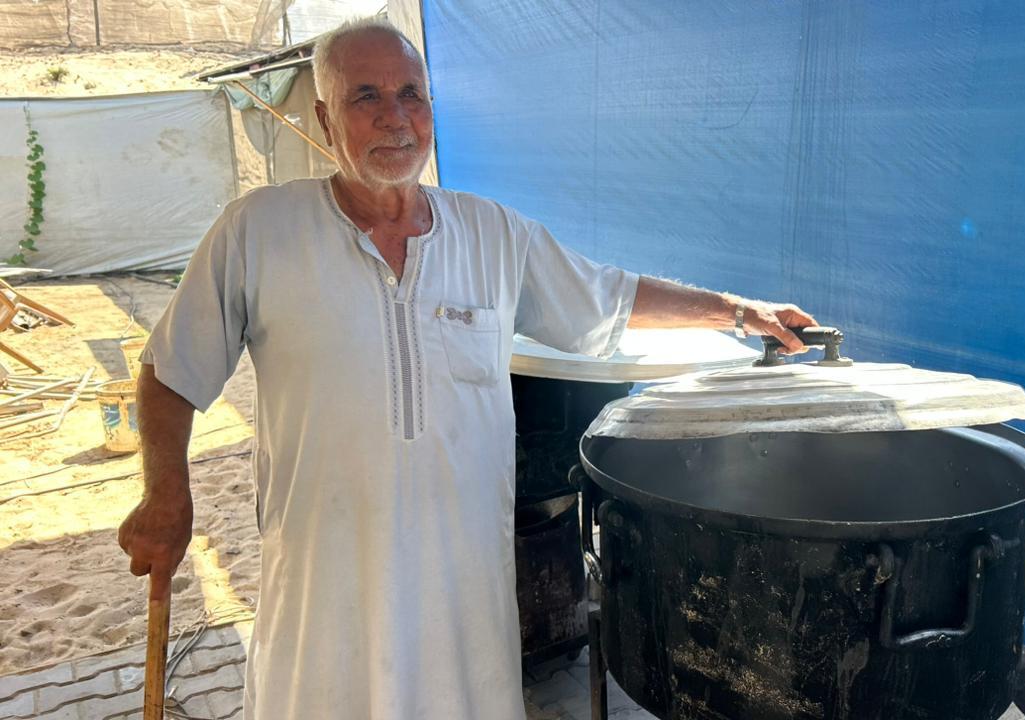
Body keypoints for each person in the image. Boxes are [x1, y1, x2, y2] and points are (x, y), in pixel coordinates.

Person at [117, 16, 816, 720]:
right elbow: (172, 369)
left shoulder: (492, 233)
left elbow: (609, 297)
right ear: (326, 117)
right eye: (367, 97)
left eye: (412, 95)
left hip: (463, 583)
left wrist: (736, 310)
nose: (396, 119)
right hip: (321, 581)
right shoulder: (258, 230)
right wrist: (166, 493)